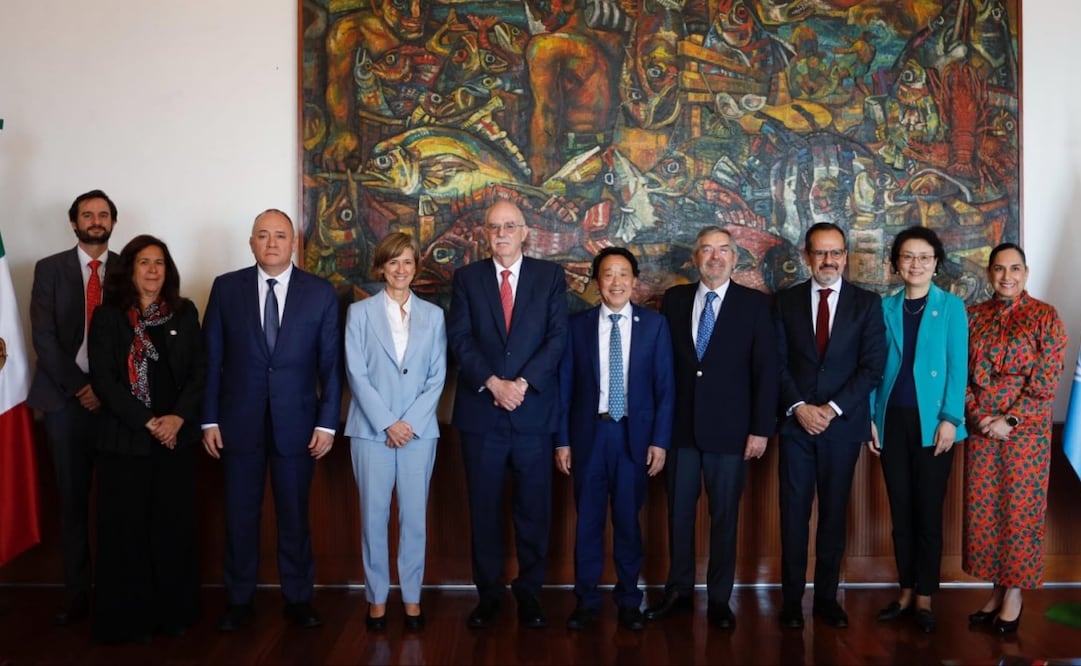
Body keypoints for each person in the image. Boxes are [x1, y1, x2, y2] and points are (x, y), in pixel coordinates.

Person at [202, 209, 343, 631]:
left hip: (298, 426)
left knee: (295, 515)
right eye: (262, 236)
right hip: (237, 423)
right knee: (240, 516)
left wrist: (327, 423)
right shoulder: (226, 289)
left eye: (280, 235)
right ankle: (239, 600)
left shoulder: (320, 293)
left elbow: (331, 366)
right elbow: (212, 360)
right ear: (251, 243)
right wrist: (208, 420)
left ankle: (298, 598)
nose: (271, 243)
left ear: (294, 242)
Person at [646, 226, 778, 629]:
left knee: (724, 518)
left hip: (732, 432)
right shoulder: (674, 300)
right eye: (707, 250)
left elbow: (767, 371)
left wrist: (760, 429)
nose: (715, 257)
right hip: (681, 431)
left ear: (735, 258)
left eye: (723, 250)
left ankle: (720, 599)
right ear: (695, 258)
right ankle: (678, 591)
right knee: (678, 515)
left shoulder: (755, 305)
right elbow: (663, 367)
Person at [447, 199, 568, 629]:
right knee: (484, 511)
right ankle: (489, 596)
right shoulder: (467, 279)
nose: (501, 233)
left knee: (534, 510)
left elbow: (557, 337)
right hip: (483, 415)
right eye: (494, 227)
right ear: (485, 233)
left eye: (509, 226)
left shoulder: (549, 277)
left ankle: (530, 593)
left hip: (533, 415)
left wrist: (521, 384)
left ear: (525, 231)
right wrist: (494, 384)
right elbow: (459, 338)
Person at [87, 235, 204, 643]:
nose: (153, 270)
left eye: (159, 262)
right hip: (125, 443)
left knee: (171, 530)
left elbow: (198, 375)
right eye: (144, 262)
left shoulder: (185, 314)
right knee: (126, 533)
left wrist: (176, 419)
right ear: (130, 270)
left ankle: (173, 614)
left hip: (176, 441)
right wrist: (149, 422)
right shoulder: (107, 318)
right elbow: (104, 380)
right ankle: (128, 618)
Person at [556, 247, 675, 632]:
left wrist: (659, 441)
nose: (616, 282)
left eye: (624, 273)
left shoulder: (654, 325)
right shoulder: (578, 326)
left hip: (634, 439)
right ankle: (586, 600)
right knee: (588, 523)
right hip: (590, 436)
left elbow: (665, 389)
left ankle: (628, 600)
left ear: (635, 281)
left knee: (628, 522)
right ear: (597, 282)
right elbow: (565, 389)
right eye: (608, 274)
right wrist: (562, 440)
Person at [774, 221, 886, 629]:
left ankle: (825, 599)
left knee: (834, 516)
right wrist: (801, 406)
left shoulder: (866, 304)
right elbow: (777, 363)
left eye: (836, 252)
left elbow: (872, 367)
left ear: (845, 256)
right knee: (793, 516)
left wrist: (832, 408)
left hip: (841, 428)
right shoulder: (784, 302)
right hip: (796, 427)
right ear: (807, 257)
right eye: (820, 253)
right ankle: (790, 602)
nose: (829, 260)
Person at [343, 232, 446, 632]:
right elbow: (356, 372)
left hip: (419, 433)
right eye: (393, 262)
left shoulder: (434, 316)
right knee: (374, 518)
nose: (400, 270)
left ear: (416, 267)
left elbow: (437, 377)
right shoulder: (360, 313)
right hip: (372, 432)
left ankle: (412, 597)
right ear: (381, 268)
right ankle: (377, 599)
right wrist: (388, 422)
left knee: (415, 519)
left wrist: (408, 424)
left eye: (407, 262)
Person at [963, 242, 1067, 635]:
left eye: (1015, 269)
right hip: (982, 430)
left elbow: (1046, 378)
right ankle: (995, 591)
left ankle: (1015, 594)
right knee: (986, 511)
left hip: (1027, 433)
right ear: (989, 273)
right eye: (999, 269)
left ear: (1026, 273)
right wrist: (980, 417)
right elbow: (961, 373)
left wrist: (1011, 419)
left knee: (1019, 512)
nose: (1007, 276)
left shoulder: (1045, 316)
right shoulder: (972, 317)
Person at [868, 226, 968, 634]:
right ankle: (906, 590)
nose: (916, 264)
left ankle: (926, 595)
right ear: (896, 264)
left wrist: (951, 418)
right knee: (901, 511)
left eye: (924, 257)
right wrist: (872, 420)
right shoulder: (884, 308)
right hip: (893, 420)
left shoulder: (952, 307)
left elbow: (957, 367)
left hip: (936, 426)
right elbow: (875, 369)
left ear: (936, 263)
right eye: (908, 256)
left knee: (927, 512)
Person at [27, 189, 119, 626]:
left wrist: (106, 389)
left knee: (118, 501)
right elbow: (42, 337)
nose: (95, 221)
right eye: (88, 214)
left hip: (118, 405)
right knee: (72, 500)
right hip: (65, 403)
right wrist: (83, 387)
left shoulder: (127, 269)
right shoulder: (49, 270)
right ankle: (77, 592)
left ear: (113, 223)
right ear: (74, 222)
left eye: (103, 215)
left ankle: (116, 591)